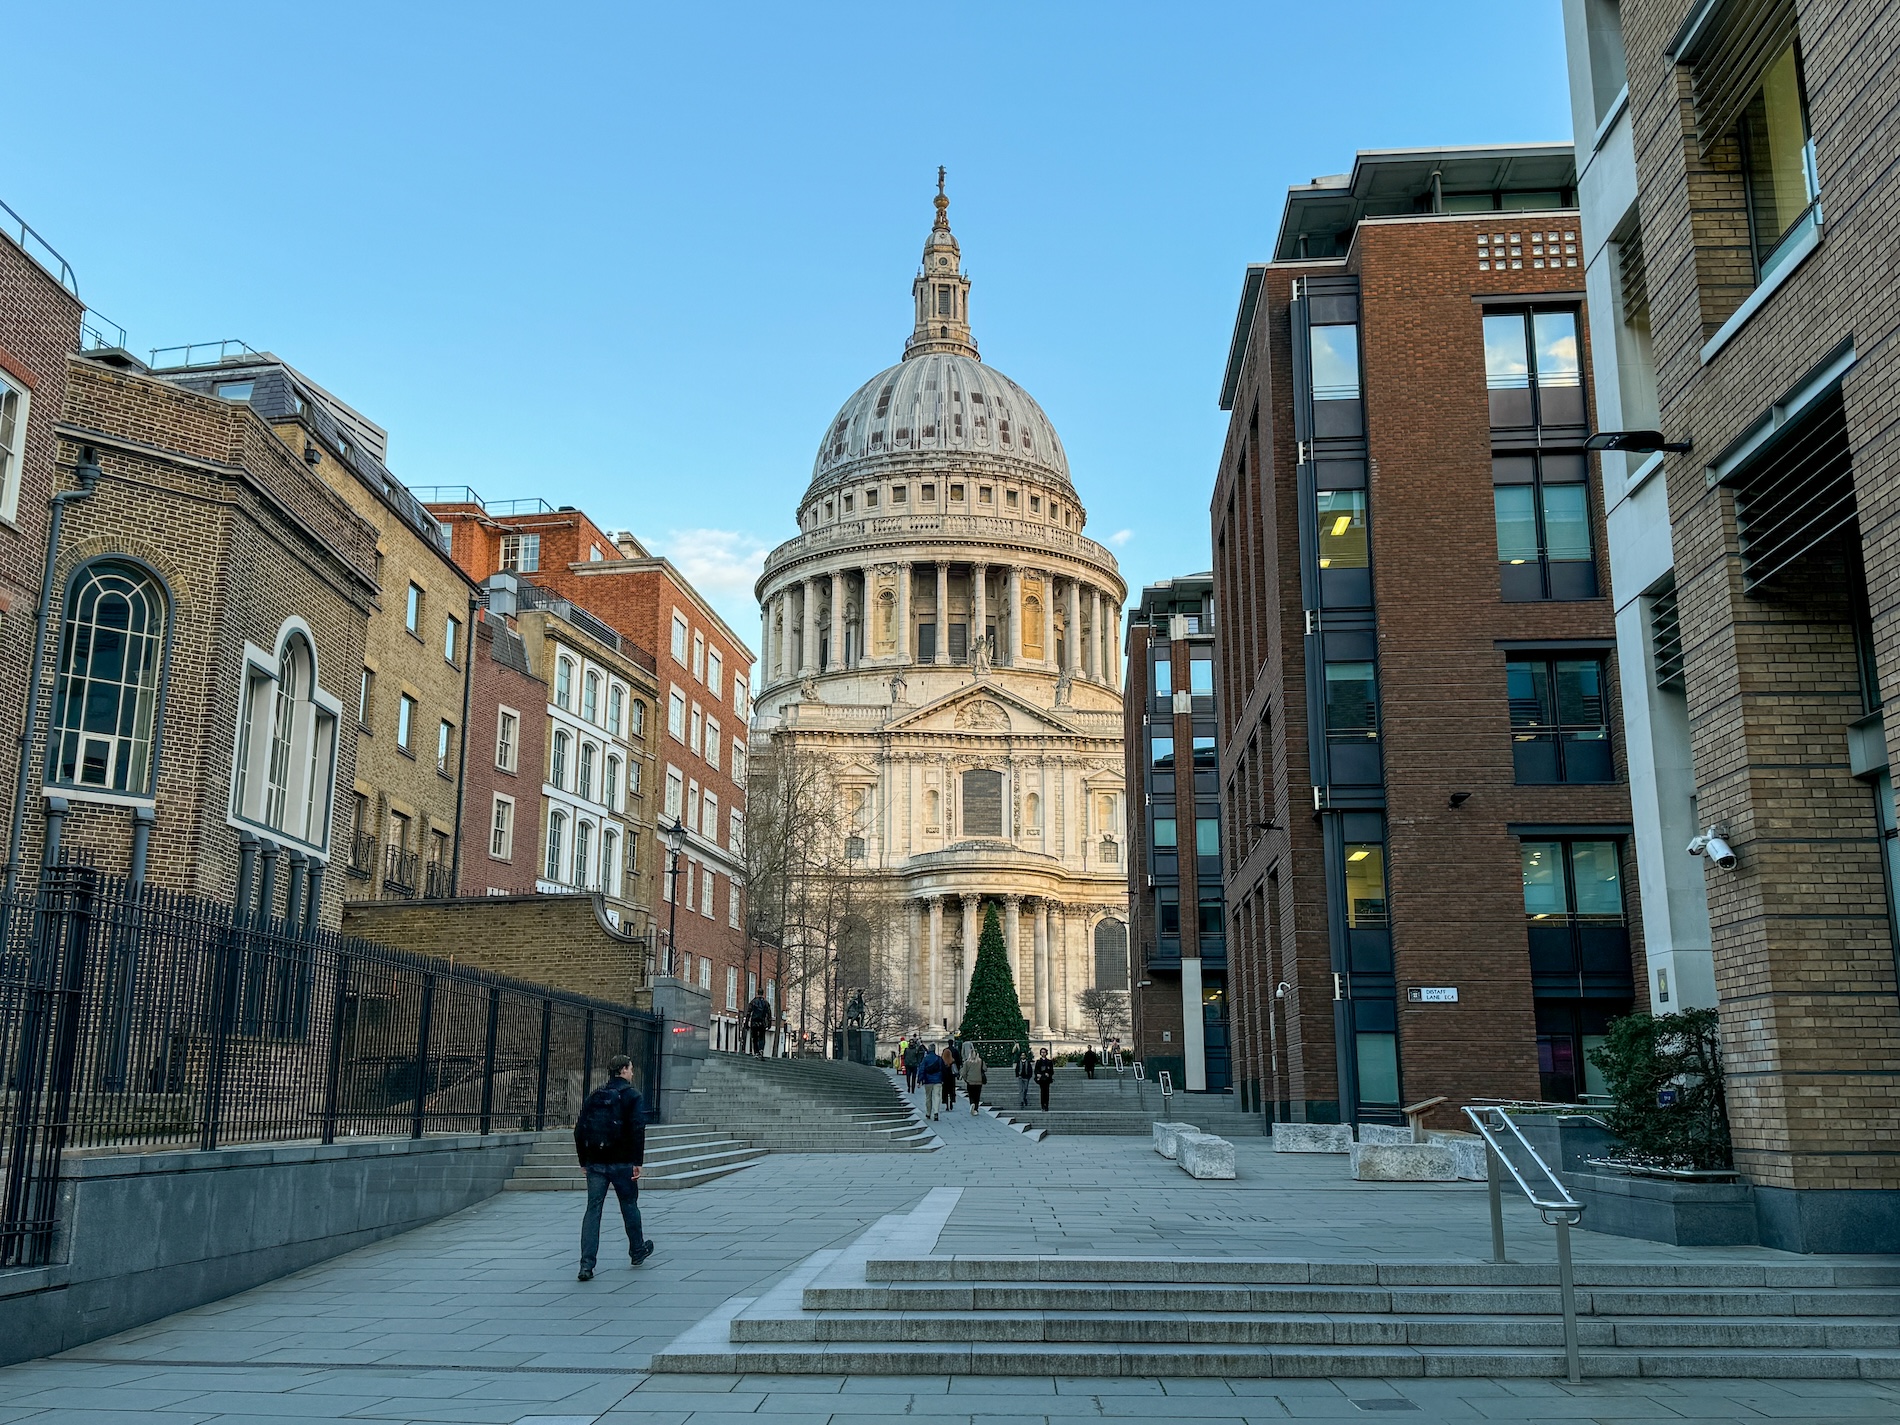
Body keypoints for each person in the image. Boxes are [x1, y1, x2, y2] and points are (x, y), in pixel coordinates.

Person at [573, 1054, 652, 1281]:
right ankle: (637, 1250)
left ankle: (586, 1264)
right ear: (624, 1070)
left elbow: (579, 1130)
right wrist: (637, 1162)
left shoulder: (595, 1096)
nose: (632, 1073)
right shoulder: (632, 1096)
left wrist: (584, 1161)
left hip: (595, 1162)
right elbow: (638, 1129)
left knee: (593, 1210)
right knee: (629, 1204)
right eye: (631, 1069)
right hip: (622, 1161)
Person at [918, 1043, 945, 1121]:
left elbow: (922, 1069)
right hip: (938, 1080)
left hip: (928, 1080)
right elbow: (943, 1070)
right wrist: (942, 1079)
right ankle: (936, 1112)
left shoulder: (925, 1059)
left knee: (928, 1097)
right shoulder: (939, 1059)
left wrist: (919, 1080)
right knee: (937, 1096)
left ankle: (928, 1113)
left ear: (929, 1049)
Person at [745, 991, 773, 1056]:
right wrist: (769, 1023)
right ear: (763, 993)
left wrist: (746, 1023)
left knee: (754, 1038)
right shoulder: (766, 1003)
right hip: (762, 1022)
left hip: (754, 1021)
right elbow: (769, 1014)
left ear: (757, 993)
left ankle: (756, 1052)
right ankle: (761, 1050)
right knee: (762, 1037)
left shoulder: (753, 1002)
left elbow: (748, 1012)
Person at [962, 1043, 987, 1114]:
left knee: (971, 1094)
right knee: (977, 1095)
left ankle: (972, 1103)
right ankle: (976, 1108)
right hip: (979, 1081)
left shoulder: (967, 1062)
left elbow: (964, 1073)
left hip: (970, 1081)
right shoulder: (980, 1061)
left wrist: (966, 1079)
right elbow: (985, 1069)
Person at [941, 1037, 960, 1108]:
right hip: (952, 1073)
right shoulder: (955, 1050)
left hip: (945, 1073)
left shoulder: (945, 1051)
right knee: (952, 1087)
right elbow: (958, 1061)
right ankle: (952, 1099)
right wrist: (957, 1071)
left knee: (945, 1088)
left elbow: (942, 1062)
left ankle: (944, 1099)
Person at [1034, 1048, 1055, 1112]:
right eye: (1042, 1052)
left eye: (1044, 1052)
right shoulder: (1038, 1062)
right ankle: (1043, 1105)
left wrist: (1049, 1074)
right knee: (1042, 1092)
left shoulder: (1049, 1062)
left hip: (1047, 1079)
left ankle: (1046, 1105)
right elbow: (1036, 1070)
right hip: (1041, 1079)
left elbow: (1052, 1071)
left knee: (1047, 1093)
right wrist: (1038, 1074)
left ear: (1046, 1053)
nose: (1043, 1053)